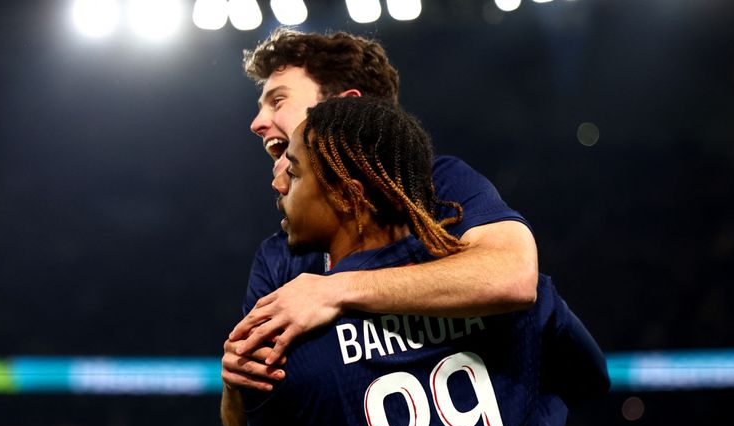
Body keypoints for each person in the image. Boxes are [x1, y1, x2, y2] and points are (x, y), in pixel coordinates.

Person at [226, 96, 608, 426]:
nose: (279, 185)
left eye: (293, 173)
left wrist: (236, 387)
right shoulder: (502, 284)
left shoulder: (289, 335)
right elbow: (592, 380)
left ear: (347, 196)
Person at [223, 28, 539, 392]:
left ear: (347, 106)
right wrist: (235, 382)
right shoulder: (278, 256)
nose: (256, 123)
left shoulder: (438, 184)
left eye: (277, 101)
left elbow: (512, 276)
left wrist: (334, 290)